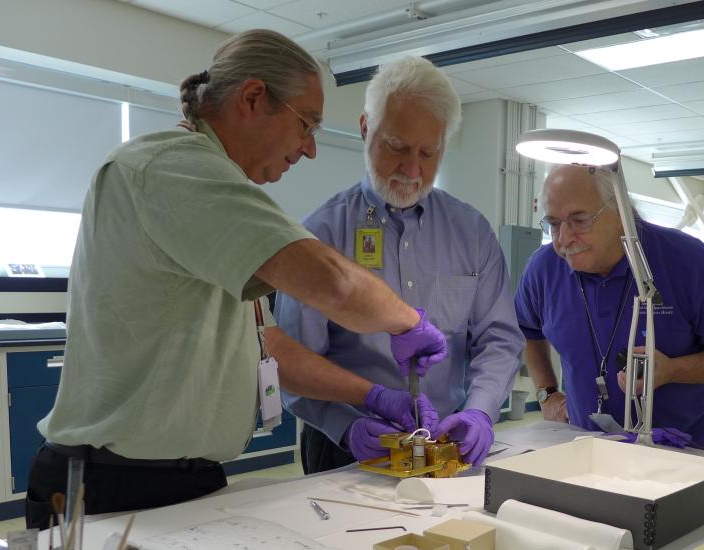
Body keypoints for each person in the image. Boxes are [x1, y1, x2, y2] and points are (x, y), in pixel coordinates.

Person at [24, 30, 448, 529]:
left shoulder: (209, 195)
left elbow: (267, 347)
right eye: (306, 125)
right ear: (251, 98)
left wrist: (370, 397)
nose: (310, 149)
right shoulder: (176, 170)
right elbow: (332, 282)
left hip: (176, 480)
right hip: (114, 485)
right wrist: (407, 322)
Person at [275, 56, 526, 473]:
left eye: (429, 152)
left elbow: (499, 339)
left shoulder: (473, 232)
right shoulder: (318, 235)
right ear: (364, 128)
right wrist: (345, 425)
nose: (413, 169)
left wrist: (481, 410)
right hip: (347, 448)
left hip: (448, 445)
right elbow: (295, 360)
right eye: (397, 147)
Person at [514, 164, 704, 452]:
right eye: (554, 224)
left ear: (620, 211)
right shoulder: (544, 270)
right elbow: (526, 330)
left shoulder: (690, 263)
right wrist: (547, 393)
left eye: (580, 220)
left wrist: (673, 370)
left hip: (688, 453)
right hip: (586, 449)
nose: (563, 239)